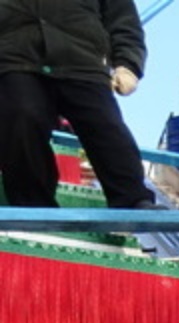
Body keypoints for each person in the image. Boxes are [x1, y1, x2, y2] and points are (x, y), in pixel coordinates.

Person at [0, 0, 158, 210]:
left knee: (104, 124)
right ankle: (33, 204)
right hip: (16, 59)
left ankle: (133, 199)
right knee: (22, 116)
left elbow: (123, 20)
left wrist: (128, 64)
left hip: (81, 60)